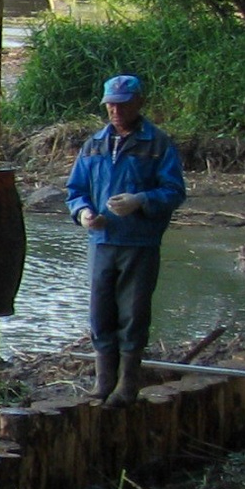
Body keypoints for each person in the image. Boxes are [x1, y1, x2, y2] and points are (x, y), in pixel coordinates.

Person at [65, 72, 186, 407]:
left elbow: (174, 191)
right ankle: (104, 380)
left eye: (122, 105)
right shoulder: (94, 144)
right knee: (100, 312)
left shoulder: (157, 144)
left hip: (139, 243)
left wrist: (140, 201)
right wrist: (83, 213)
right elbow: (75, 190)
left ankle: (128, 384)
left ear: (139, 103)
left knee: (133, 313)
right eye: (110, 105)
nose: (115, 111)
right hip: (101, 241)